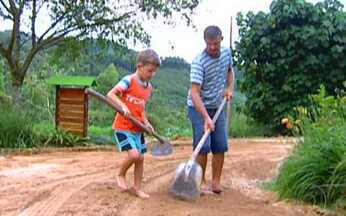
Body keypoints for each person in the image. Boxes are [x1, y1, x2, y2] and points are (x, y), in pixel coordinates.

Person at [107, 49, 160, 199]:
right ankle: (120, 175)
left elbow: (141, 109)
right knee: (135, 155)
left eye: (154, 72)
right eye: (150, 70)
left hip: (138, 129)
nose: (152, 74)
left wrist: (146, 123)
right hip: (123, 127)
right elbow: (110, 94)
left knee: (141, 158)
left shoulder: (148, 88)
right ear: (139, 66)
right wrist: (122, 106)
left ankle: (137, 188)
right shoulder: (128, 80)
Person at [187, 25, 234, 194]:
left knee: (220, 145)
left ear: (221, 39)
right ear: (205, 42)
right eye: (209, 44)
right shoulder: (199, 62)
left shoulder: (227, 53)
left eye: (215, 44)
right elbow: (194, 93)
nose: (212, 47)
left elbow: (230, 71)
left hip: (217, 106)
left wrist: (229, 88)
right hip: (198, 107)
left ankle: (215, 182)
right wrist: (206, 117)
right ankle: (198, 184)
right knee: (203, 146)